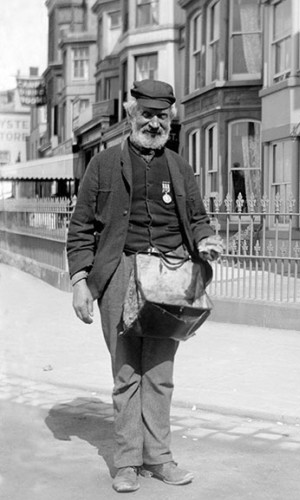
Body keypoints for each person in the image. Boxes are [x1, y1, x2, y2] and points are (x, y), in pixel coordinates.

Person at [66, 79, 223, 493]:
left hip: (171, 276)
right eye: (147, 115)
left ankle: (159, 458)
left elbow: (198, 215)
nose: (154, 124)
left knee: (159, 372)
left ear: (170, 120)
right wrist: (81, 280)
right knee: (126, 372)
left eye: (162, 116)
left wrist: (206, 239)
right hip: (119, 273)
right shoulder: (101, 166)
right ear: (131, 117)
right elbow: (80, 227)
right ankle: (126, 462)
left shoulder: (179, 167)